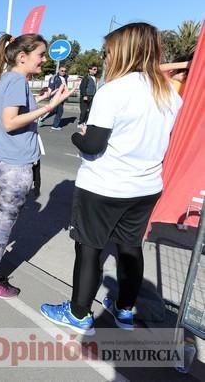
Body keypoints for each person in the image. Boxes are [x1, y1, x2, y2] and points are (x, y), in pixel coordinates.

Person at [40, 23, 182, 335]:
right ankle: (125, 311)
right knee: (130, 249)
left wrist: (79, 136)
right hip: (145, 187)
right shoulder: (169, 93)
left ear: (124, 52)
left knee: (89, 249)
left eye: (108, 52)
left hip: (103, 187)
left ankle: (78, 314)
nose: (105, 58)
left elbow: (93, 145)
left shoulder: (113, 92)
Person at [0, 33, 72, 299]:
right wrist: (50, 106)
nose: (44, 60)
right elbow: (10, 121)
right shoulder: (17, 80)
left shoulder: (5, 79)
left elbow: (12, 113)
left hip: (3, 163)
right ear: (22, 56)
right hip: (15, 168)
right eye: (40, 55)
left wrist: (44, 100)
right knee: (3, 227)